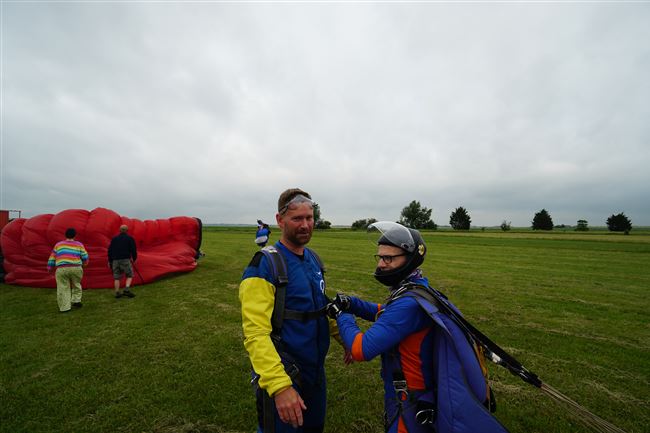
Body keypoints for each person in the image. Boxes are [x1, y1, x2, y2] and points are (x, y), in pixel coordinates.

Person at [329, 221, 506, 433]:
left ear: (410, 259)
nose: (381, 264)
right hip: (421, 399)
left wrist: (342, 315)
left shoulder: (408, 304)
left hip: (408, 405)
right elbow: (387, 313)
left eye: (388, 258)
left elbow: (360, 349)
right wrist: (353, 304)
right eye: (380, 257)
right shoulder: (419, 289)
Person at [239, 188, 340, 433]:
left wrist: (344, 338)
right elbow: (255, 334)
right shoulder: (264, 265)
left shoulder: (313, 259)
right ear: (280, 220)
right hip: (284, 375)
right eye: (297, 219)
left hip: (315, 375)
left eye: (309, 217)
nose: (305, 225)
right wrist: (280, 386)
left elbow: (321, 307)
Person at [47, 227, 89, 312]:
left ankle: (65, 307)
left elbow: (52, 257)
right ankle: (76, 300)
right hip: (76, 267)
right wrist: (85, 263)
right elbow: (85, 256)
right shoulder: (79, 244)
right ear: (75, 235)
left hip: (62, 268)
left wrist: (50, 267)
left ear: (65, 235)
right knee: (76, 284)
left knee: (63, 287)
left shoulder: (58, 245)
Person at [108, 224, 137, 299]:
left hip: (115, 260)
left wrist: (110, 261)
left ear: (119, 230)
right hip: (125, 259)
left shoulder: (114, 239)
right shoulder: (130, 238)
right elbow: (133, 249)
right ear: (127, 231)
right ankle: (126, 290)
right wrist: (134, 258)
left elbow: (110, 250)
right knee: (129, 275)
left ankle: (117, 293)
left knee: (116, 277)